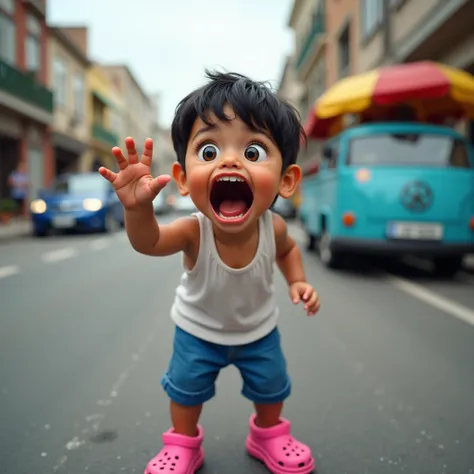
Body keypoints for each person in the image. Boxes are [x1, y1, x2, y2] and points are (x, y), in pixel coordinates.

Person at [99, 71, 320, 474]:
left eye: (253, 152)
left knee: (272, 388)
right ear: (182, 179)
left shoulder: (275, 228)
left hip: (258, 331)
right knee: (185, 392)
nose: (230, 160)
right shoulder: (192, 231)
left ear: (286, 180)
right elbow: (147, 242)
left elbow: (287, 252)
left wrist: (299, 280)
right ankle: (183, 443)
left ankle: (268, 434)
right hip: (197, 330)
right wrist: (137, 209)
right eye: (208, 151)